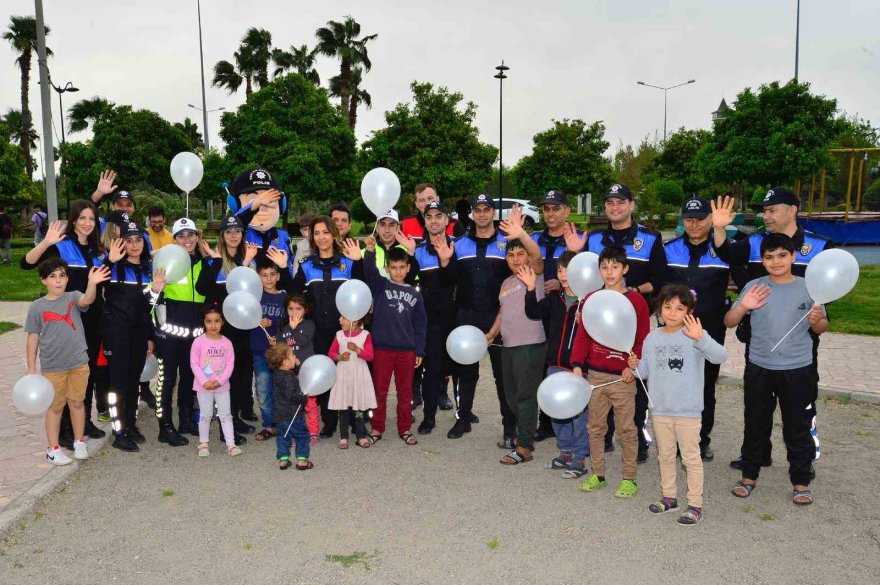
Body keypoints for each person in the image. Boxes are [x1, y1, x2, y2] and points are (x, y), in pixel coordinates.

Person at [712, 190, 831, 471]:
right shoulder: (754, 242)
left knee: (801, 406)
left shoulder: (818, 246)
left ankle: (804, 459)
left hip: (800, 343)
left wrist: (817, 319)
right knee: (757, 408)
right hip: (761, 340)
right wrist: (718, 227)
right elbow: (725, 252)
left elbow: (827, 292)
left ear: (792, 209)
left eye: (771, 210)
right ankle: (756, 455)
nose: (765, 216)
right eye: (763, 211)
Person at [724, 233, 827, 506]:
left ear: (794, 256)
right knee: (755, 424)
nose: (776, 261)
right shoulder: (755, 287)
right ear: (762, 259)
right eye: (769, 257)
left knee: (797, 426)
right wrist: (744, 307)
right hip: (760, 367)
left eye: (782, 255)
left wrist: (817, 321)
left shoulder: (810, 287)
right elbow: (729, 321)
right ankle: (749, 475)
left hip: (798, 369)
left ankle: (801, 480)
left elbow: (822, 327)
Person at [574, 183, 670, 462]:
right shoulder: (593, 239)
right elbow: (586, 278)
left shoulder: (649, 238)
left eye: (620, 202)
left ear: (631, 205)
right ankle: (603, 437)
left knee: (633, 380)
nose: (614, 207)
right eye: (609, 203)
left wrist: (631, 295)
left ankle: (636, 438)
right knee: (600, 374)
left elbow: (661, 279)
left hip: (632, 320)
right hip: (598, 322)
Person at [628, 285, 728, 526]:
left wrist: (701, 337)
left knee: (691, 459)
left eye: (680, 308)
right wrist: (634, 365)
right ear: (660, 308)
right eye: (668, 306)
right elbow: (644, 373)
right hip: (660, 410)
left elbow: (720, 356)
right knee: (665, 455)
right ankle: (669, 497)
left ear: (690, 311)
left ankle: (694, 504)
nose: (672, 312)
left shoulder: (694, 335)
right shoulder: (652, 337)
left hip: (688, 411)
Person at [21, 201, 109, 446]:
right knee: (64, 372)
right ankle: (65, 430)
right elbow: (26, 263)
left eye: (92, 219)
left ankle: (84, 421)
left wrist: (110, 261)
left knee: (86, 371)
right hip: (66, 320)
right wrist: (47, 242)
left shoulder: (96, 250)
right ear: (73, 220)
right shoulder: (61, 245)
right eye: (82, 218)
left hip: (92, 318)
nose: (87, 223)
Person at [571, 245, 650, 499]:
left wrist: (632, 368)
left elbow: (642, 338)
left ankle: (629, 478)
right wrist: (577, 364)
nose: (609, 271)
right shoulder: (593, 299)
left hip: (622, 377)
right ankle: (598, 474)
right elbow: (583, 334)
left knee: (627, 429)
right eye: (604, 267)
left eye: (615, 266)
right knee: (595, 428)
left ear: (625, 269)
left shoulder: (635, 300)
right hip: (595, 375)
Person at [449, 194, 528, 441]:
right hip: (466, 315)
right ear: (472, 213)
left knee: (502, 375)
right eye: (478, 210)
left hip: (498, 317)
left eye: (486, 210)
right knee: (465, 371)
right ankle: (464, 419)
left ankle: (509, 426)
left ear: (494, 213)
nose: (482, 214)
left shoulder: (507, 243)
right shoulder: (459, 244)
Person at [664, 197, 730, 461]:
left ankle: (701, 440)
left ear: (710, 220)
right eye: (688, 219)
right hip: (674, 330)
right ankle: (676, 438)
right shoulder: (669, 249)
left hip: (709, 330)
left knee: (705, 388)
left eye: (700, 219)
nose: (694, 224)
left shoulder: (724, 249)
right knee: (675, 383)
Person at [25, 258, 110, 465]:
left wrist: (92, 284)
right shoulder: (37, 307)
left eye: (62, 275)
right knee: (55, 408)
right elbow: (32, 338)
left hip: (79, 363)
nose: (58, 280)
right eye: (52, 276)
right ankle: (53, 448)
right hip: (53, 367)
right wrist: (31, 370)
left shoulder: (73, 298)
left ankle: (79, 441)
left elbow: (87, 301)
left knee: (77, 403)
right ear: (43, 280)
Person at [289, 217, 364, 437]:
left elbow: (362, 290)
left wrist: (359, 261)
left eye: (326, 232)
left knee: (349, 374)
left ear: (334, 234)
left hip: (344, 331)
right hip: (318, 332)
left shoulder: (348, 262)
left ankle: (354, 420)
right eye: (317, 233)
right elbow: (294, 293)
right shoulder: (307, 265)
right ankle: (329, 422)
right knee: (326, 373)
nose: (321, 237)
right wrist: (285, 268)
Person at [196, 215, 265, 441]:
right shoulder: (214, 260)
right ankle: (227, 424)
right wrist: (214, 262)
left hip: (244, 326)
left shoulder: (251, 258)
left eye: (237, 231)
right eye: (228, 232)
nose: (233, 235)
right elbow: (203, 288)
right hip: (224, 328)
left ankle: (235, 416)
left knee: (242, 373)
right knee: (226, 374)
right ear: (222, 236)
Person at [524, 251, 589, 477]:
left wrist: (586, 321)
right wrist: (531, 289)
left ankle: (580, 458)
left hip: (580, 369)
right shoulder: (555, 299)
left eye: (568, 270)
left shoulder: (590, 302)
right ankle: (566, 451)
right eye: (560, 270)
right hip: (555, 365)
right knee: (557, 411)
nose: (563, 275)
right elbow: (532, 312)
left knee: (580, 416)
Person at [102, 219, 163, 452]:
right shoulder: (113, 266)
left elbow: (147, 307)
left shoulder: (148, 270)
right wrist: (110, 259)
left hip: (139, 334)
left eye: (139, 240)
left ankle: (130, 425)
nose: (135, 245)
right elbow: (96, 282)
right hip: (116, 334)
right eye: (129, 241)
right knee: (118, 384)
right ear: (121, 243)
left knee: (134, 383)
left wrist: (149, 335)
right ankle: (119, 432)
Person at [531, 189, 585, 441]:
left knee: (569, 365)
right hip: (541, 310)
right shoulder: (535, 238)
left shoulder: (579, 239)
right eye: (546, 209)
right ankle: (547, 422)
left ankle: (575, 424)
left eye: (556, 208)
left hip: (568, 309)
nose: (551, 213)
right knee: (545, 366)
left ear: (567, 210)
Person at [363, 243, 427, 445]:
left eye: (402, 267)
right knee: (379, 391)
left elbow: (420, 324)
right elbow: (369, 271)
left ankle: (405, 428)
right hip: (382, 349)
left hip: (406, 351)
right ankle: (377, 427)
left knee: (405, 391)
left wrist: (419, 350)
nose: (398, 271)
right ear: (387, 268)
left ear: (408, 268)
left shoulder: (415, 294)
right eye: (393, 267)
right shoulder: (381, 286)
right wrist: (370, 252)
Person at [492, 238, 547, 465]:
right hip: (508, 345)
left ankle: (524, 447)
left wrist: (520, 233)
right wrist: (491, 334)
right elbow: (503, 312)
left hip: (530, 344)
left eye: (520, 254)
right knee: (511, 395)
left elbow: (537, 257)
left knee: (525, 396)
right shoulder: (506, 283)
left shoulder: (535, 275)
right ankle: (523, 432)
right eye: (511, 255)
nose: (516, 259)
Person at [152, 217, 205, 447]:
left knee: (189, 379)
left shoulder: (203, 262)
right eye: (181, 236)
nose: (187, 240)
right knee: (167, 380)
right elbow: (151, 299)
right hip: (170, 335)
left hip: (194, 334)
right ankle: (165, 426)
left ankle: (185, 420)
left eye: (190, 234)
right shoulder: (165, 262)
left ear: (197, 236)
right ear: (174, 240)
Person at [413, 201, 458, 434]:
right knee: (431, 370)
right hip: (429, 321)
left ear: (446, 219)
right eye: (429, 216)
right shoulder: (417, 251)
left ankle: (463, 415)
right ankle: (428, 417)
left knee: (459, 368)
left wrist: (445, 262)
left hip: (454, 318)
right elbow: (410, 282)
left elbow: (457, 281)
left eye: (438, 216)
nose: (433, 220)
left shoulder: (458, 246)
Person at [190, 305, 242, 457]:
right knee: (205, 414)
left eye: (217, 321)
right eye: (209, 322)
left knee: (225, 414)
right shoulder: (198, 342)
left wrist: (220, 381)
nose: (213, 325)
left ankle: (231, 444)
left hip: (222, 386)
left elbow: (230, 364)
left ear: (222, 322)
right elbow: (194, 363)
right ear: (204, 322)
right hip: (203, 386)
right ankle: (203, 443)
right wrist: (204, 381)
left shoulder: (227, 343)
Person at [229, 168, 295, 276]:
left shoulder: (284, 237)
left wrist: (284, 267)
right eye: (252, 200)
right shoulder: (240, 233)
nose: (262, 207)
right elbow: (234, 223)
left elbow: (290, 274)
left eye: (271, 200)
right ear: (235, 204)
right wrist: (255, 204)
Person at [328, 313, 377, 449]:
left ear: (354, 321)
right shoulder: (339, 334)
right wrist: (339, 356)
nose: (339, 320)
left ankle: (361, 436)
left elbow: (370, 356)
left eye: (343, 318)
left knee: (358, 408)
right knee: (344, 407)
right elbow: (331, 353)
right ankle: (344, 437)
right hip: (343, 374)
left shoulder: (365, 334)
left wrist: (357, 349)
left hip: (358, 375)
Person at [251, 261, 287, 441]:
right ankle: (268, 425)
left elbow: (290, 322)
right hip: (260, 351)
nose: (269, 279)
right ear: (258, 277)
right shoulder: (254, 297)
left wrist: (272, 323)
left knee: (280, 390)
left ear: (278, 276)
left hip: (280, 352)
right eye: (264, 275)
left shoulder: (284, 297)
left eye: (272, 274)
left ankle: (282, 424)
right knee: (263, 389)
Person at [276, 293, 319, 443]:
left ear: (305, 310)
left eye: (298, 309)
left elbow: (303, 341)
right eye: (290, 309)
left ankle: (313, 432)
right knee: (292, 404)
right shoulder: (285, 328)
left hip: (306, 371)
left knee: (310, 403)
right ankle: (295, 433)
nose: (294, 313)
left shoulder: (309, 325)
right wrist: (275, 342)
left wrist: (294, 329)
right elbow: (281, 346)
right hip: (290, 373)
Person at [267, 342, 312, 470]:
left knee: (283, 436)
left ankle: (283, 460)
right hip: (293, 414)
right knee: (302, 436)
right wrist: (304, 397)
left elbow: (292, 375)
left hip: (279, 414)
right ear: (285, 362)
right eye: (292, 355)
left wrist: (297, 365)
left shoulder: (278, 373)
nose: (294, 356)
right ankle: (302, 460)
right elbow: (291, 395)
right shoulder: (287, 378)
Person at [400, 183, 465, 242]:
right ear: (416, 204)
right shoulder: (406, 223)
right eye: (421, 200)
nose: (427, 203)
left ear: (437, 199)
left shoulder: (454, 225)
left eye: (430, 198)